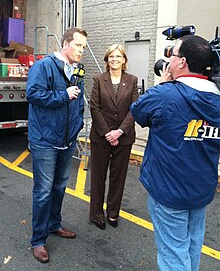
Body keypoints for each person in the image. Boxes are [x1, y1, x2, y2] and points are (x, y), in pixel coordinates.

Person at [130, 35, 220, 271]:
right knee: (191, 247)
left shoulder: (165, 95)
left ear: (182, 63)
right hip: (201, 190)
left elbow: (138, 111)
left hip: (169, 192)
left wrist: (164, 83)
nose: (169, 61)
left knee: (173, 256)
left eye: (173, 56)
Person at [26, 27, 87, 263]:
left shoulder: (77, 71)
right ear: (65, 44)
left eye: (83, 46)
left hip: (67, 140)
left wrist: (77, 127)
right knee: (43, 191)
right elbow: (33, 94)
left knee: (60, 186)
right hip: (45, 141)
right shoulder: (44, 66)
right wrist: (63, 95)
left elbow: (78, 101)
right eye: (78, 45)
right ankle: (38, 240)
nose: (82, 50)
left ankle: (54, 224)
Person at [89, 44, 138, 229]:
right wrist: (107, 133)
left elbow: (134, 109)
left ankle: (112, 213)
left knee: (118, 177)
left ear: (124, 60)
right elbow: (94, 107)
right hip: (101, 136)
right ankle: (96, 214)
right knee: (98, 177)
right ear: (107, 59)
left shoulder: (132, 80)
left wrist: (119, 131)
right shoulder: (99, 79)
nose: (114, 59)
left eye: (118, 56)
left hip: (124, 137)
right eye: (111, 56)